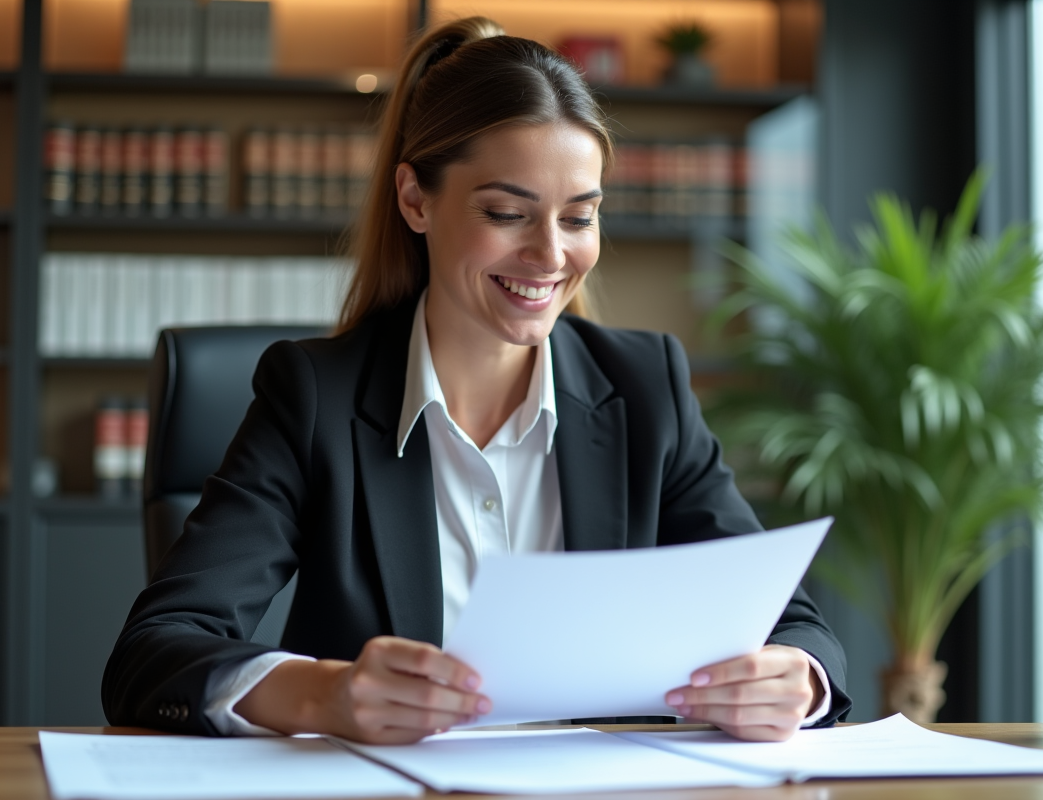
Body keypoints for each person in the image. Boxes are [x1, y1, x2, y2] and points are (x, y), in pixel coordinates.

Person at [103, 16, 852, 745]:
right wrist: (325, 695)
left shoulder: (644, 387)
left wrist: (798, 678)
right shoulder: (315, 398)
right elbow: (154, 651)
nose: (550, 255)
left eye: (579, 217)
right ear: (414, 199)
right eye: (507, 213)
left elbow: (793, 624)